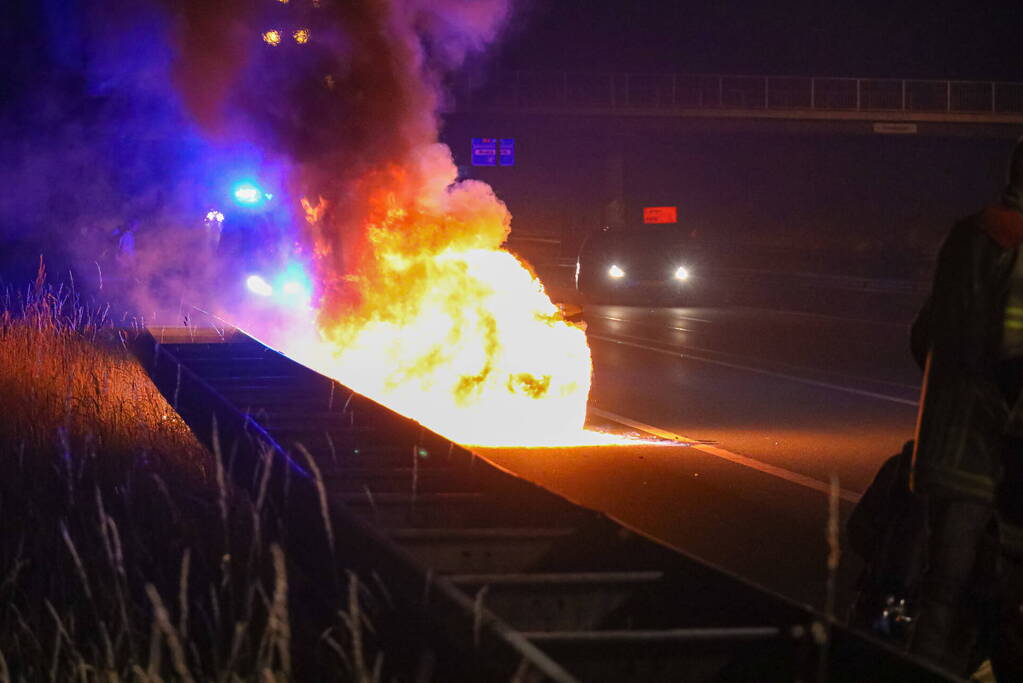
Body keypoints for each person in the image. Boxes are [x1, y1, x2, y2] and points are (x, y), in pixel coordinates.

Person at [908, 137, 1023, 678]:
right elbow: (1013, 356)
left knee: (941, 598)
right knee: (1002, 603)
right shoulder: (1017, 246)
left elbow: (924, 335)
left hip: (943, 450)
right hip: (997, 454)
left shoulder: (965, 236)